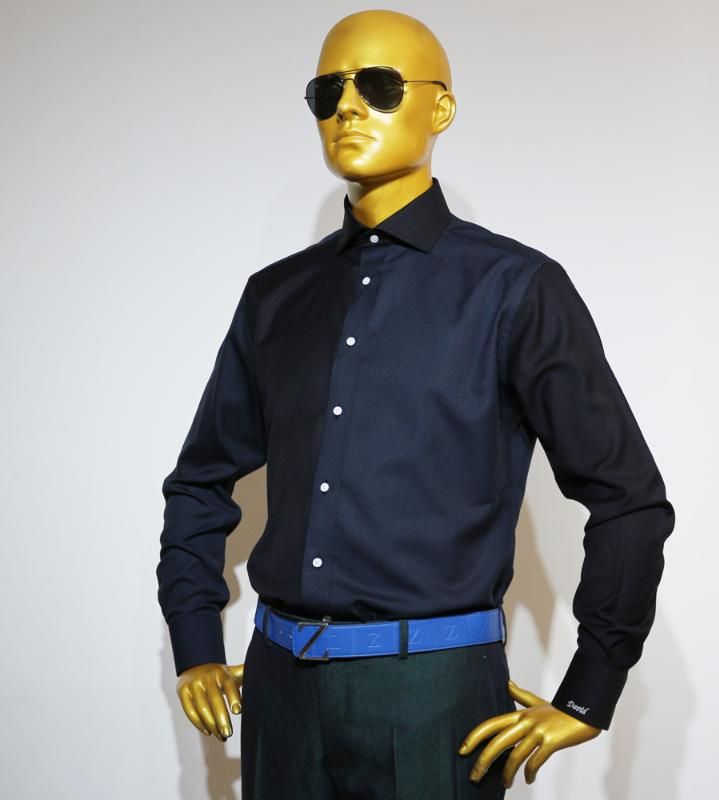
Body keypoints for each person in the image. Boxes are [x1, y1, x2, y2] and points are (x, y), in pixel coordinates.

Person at [156, 9, 676, 799]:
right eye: (327, 91)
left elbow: (628, 498)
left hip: (432, 698)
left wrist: (590, 689)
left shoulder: (513, 288)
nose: (348, 107)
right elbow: (200, 480)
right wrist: (196, 641)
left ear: (441, 108)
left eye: (378, 85)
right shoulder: (275, 297)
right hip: (279, 695)